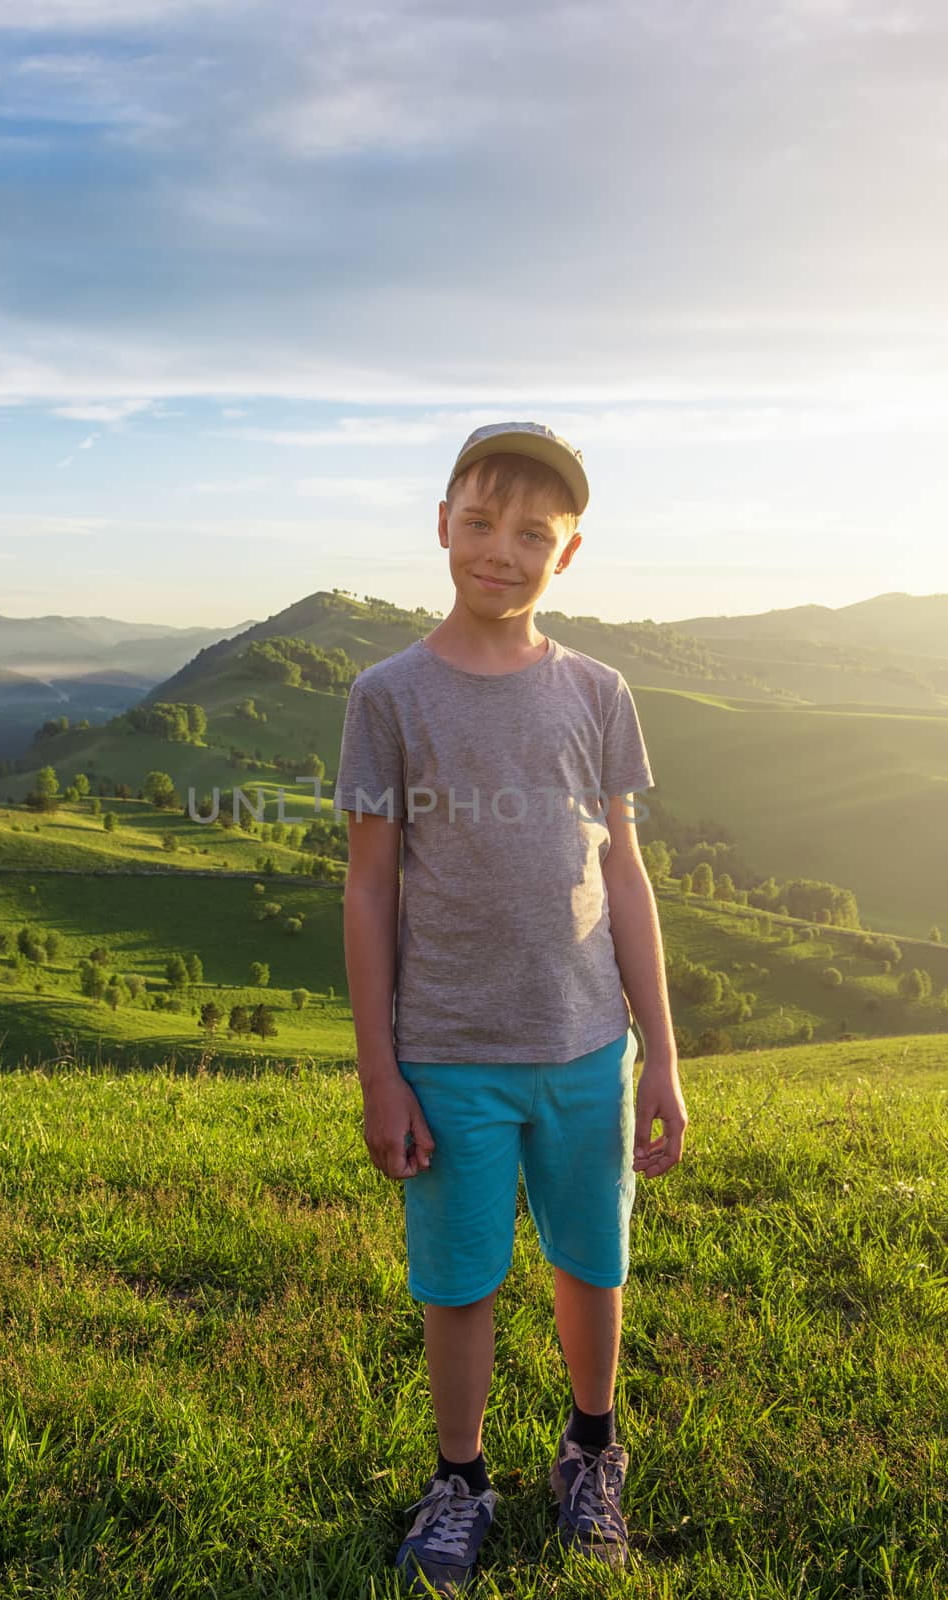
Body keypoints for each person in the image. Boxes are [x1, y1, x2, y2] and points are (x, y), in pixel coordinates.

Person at [335, 421, 688, 1595]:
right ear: (440, 525)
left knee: (593, 1259)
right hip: (447, 1056)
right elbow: (370, 886)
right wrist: (382, 1073)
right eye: (479, 522)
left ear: (568, 553)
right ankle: (460, 1477)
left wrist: (660, 1057)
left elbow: (624, 877)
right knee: (459, 1277)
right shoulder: (386, 696)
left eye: (532, 532)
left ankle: (589, 1448)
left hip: (589, 1045)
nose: (501, 549)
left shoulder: (597, 690)